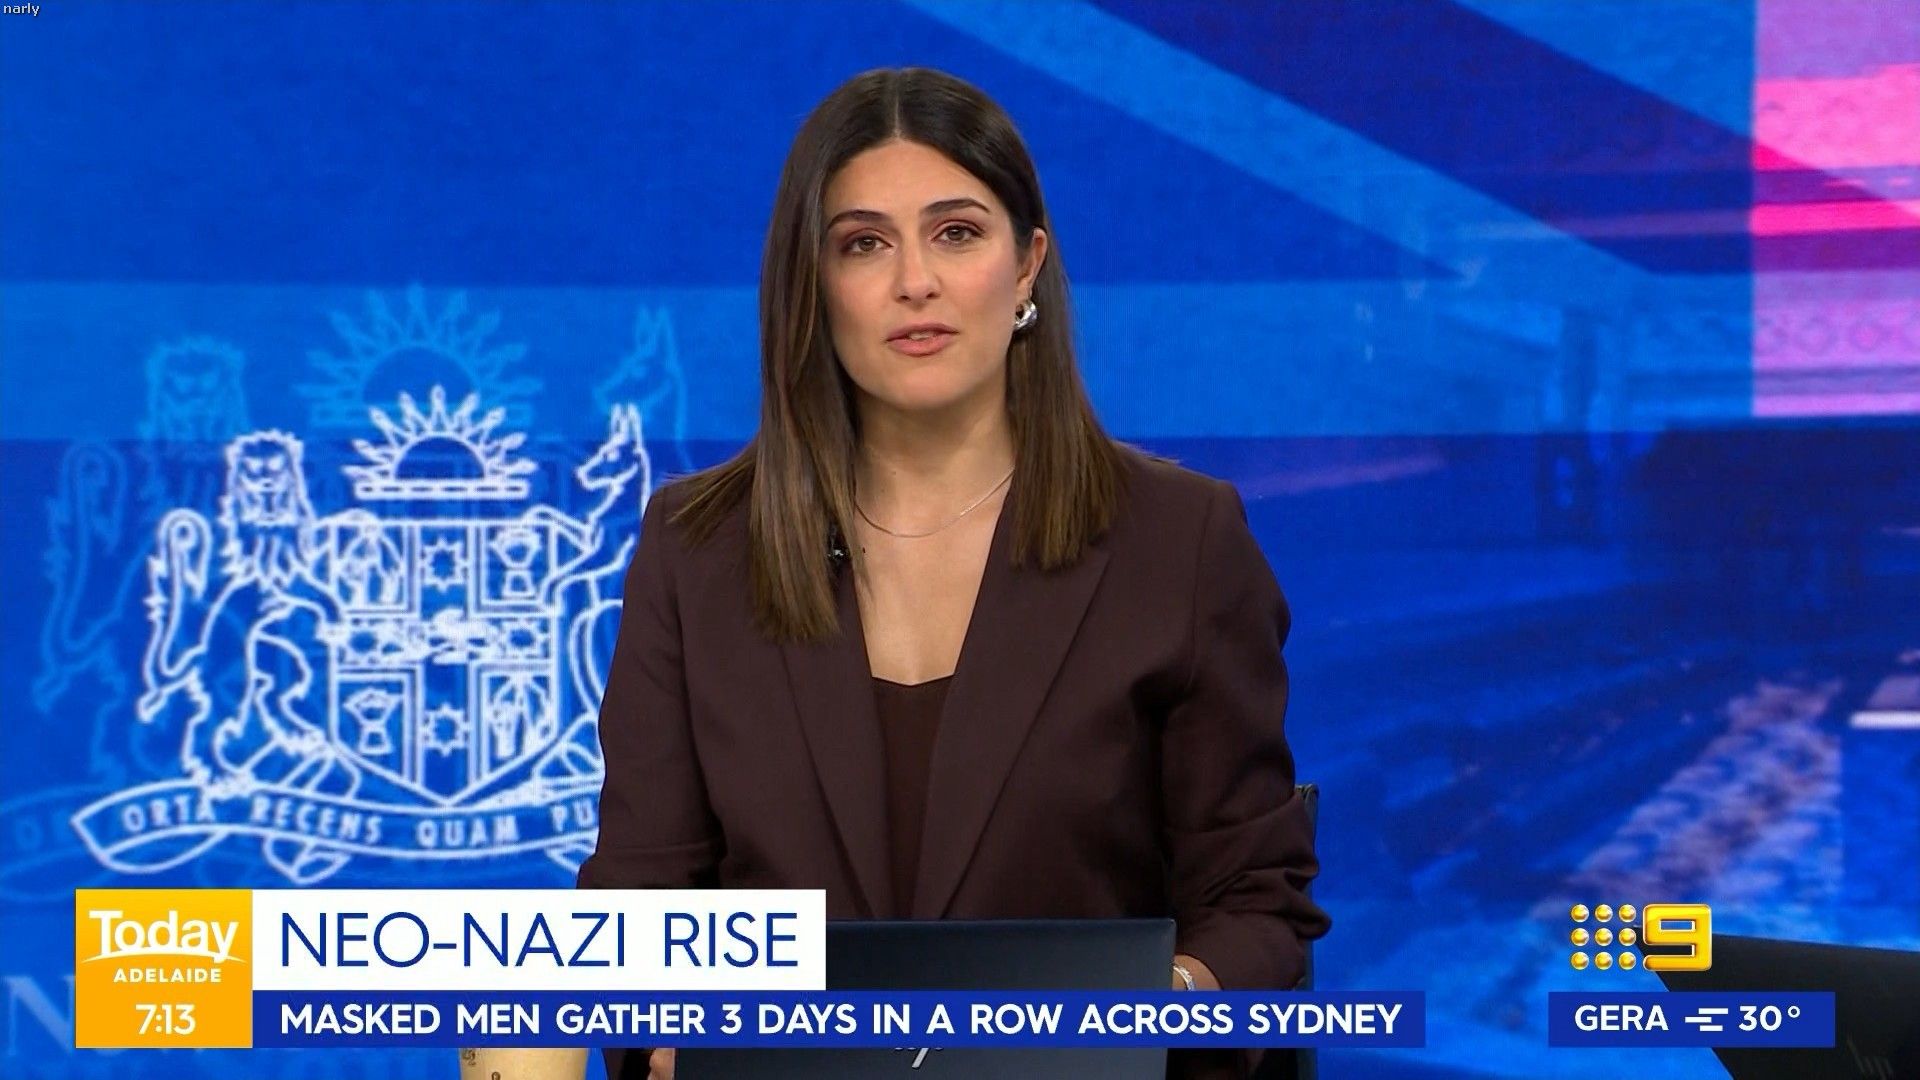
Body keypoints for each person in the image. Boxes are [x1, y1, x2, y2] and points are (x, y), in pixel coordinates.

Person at [461, 65, 1329, 1080]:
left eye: (956, 233)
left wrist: (1141, 1015)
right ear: (814, 285)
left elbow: (1254, 909)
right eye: (864, 244)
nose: (915, 281)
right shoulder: (696, 550)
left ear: (1027, 266)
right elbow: (640, 908)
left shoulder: (1179, 540)